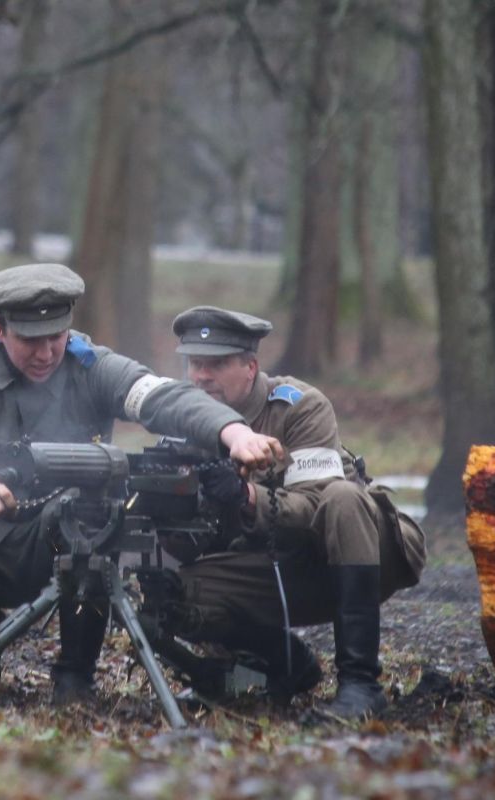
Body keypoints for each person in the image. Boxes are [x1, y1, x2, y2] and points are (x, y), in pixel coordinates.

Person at [0, 263, 285, 703]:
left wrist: (232, 432)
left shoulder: (92, 365)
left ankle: (76, 675)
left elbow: (163, 397)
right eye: (30, 340)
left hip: (72, 527)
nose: (46, 353)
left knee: (92, 516)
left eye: (56, 337)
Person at [162, 305, 426, 718]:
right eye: (195, 363)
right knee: (171, 591)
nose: (202, 376)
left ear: (251, 367)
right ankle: (280, 664)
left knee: (343, 498)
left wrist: (247, 497)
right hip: (279, 568)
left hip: (361, 551)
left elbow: (317, 503)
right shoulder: (186, 422)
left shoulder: (298, 406)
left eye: (217, 364)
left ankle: (361, 684)